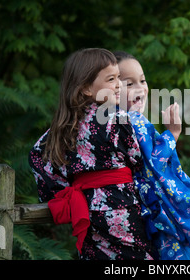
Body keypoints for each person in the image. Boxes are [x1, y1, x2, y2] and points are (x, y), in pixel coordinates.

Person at [28, 48, 154, 260]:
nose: (118, 85)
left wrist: (64, 191)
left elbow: (37, 158)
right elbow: (140, 158)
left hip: (86, 211)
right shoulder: (117, 118)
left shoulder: (63, 127)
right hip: (121, 208)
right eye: (112, 79)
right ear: (86, 88)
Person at [114, 51, 190, 260]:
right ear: (112, 89)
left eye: (142, 80)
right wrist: (173, 133)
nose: (140, 88)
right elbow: (154, 163)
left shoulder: (109, 121)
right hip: (152, 213)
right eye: (128, 84)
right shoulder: (130, 121)